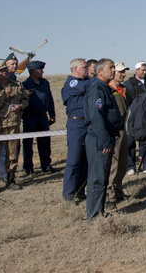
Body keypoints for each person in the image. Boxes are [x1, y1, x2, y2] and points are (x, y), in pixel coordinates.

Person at [0, 60, 29, 193]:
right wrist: (4, 95)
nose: (4, 73)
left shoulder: (17, 85)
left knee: (12, 153)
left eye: (5, 70)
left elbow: (25, 100)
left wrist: (20, 106)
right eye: (1, 71)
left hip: (13, 124)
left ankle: (10, 180)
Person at [84, 59, 122, 222]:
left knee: (103, 175)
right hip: (99, 139)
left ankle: (99, 210)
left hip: (105, 137)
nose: (113, 70)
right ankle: (94, 215)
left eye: (114, 68)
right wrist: (106, 141)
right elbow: (97, 118)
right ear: (99, 72)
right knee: (97, 177)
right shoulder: (97, 90)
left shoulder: (105, 89)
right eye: (110, 68)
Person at [61, 57, 90, 202]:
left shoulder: (86, 81)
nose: (87, 69)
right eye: (85, 67)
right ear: (75, 69)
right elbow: (84, 88)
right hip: (76, 125)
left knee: (85, 160)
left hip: (87, 124)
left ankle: (80, 190)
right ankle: (68, 194)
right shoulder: (72, 83)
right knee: (74, 160)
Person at [21, 60, 56, 175]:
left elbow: (49, 99)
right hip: (29, 117)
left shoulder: (45, 83)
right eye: (40, 70)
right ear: (33, 71)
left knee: (45, 142)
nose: (43, 71)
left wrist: (52, 114)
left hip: (42, 117)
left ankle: (46, 165)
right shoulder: (25, 84)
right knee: (28, 143)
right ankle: (28, 167)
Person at [125, 61, 146, 173]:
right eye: (142, 70)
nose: (145, 72)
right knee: (130, 142)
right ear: (137, 70)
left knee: (145, 140)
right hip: (133, 115)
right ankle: (130, 166)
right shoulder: (129, 83)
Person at [107, 62, 130, 202]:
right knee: (113, 165)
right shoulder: (108, 90)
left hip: (124, 130)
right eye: (120, 72)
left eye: (124, 72)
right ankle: (109, 194)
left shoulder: (125, 89)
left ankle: (118, 189)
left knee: (123, 163)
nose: (123, 74)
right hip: (114, 132)